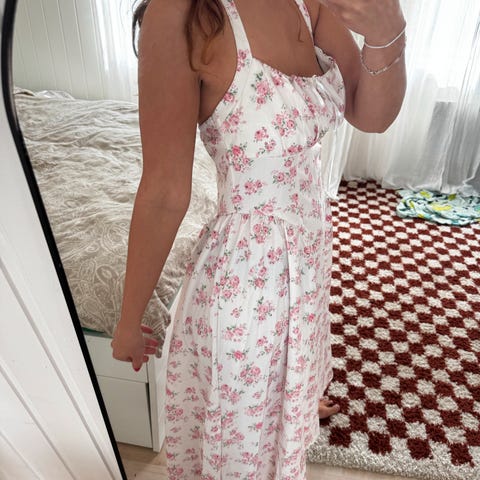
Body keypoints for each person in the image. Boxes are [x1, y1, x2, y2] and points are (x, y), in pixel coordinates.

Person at [111, 0, 406, 477]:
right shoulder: (179, 14)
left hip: (306, 262)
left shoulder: (309, 5)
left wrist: (389, 33)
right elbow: (164, 192)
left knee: (279, 416)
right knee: (240, 457)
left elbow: (371, 116)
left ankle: (293, 403)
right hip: (246, 291)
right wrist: (129, 320)